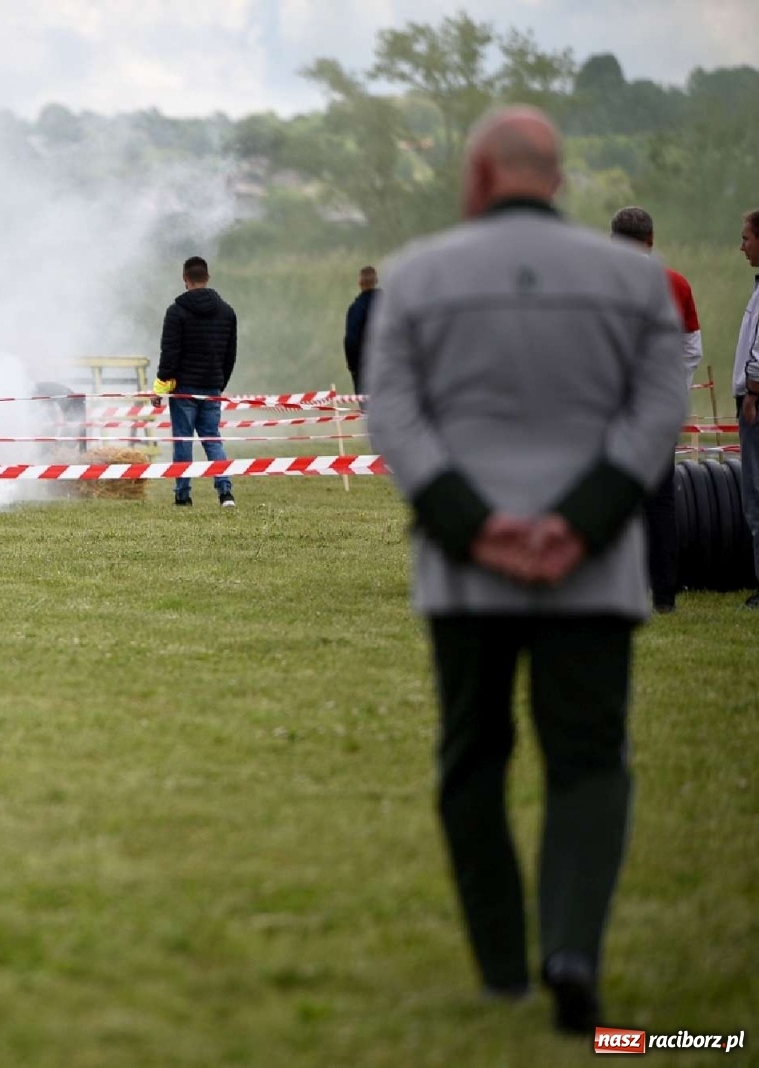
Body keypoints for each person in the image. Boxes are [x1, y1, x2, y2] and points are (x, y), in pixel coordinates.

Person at [366, 107, 687, 1036]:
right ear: (559, 180)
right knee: (589, 761)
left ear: (476, 178)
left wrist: (478, 527)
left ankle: (504, 966)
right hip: (592, 566)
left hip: (465, 568)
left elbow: (395, 416)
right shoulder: (638, 281)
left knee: (472, 757)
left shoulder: (417, 275)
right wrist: (578, 524)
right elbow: (659, 409)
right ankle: (573, 950)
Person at [608, 206, 702, 612]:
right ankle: (664, 595)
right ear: (651, 240)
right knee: (660, 501)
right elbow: (691, 348)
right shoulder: (676, 284)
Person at [153, 255, 238, 507]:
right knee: (212, 439)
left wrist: (160, 386)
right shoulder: (227, 312)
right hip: (211, 387)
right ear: (207, 277)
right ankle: (225, 492)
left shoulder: (176, 311)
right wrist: (219, 382)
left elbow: (169, 354)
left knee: (183, 441)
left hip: (184, 389)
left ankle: (183, 495)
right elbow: (230, 354)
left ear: (185, 279)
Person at [734, 209, 759, 610]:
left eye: (747, 238)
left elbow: (758, 351)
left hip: (757, 400)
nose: (742, 247)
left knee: (755, 495)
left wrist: (752, 394)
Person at [343, 266, 380, 394]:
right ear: (376, 280)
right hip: (391, 367)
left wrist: (353, 367)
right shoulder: (389, 304)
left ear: (359, 282)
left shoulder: (356, 309)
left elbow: (351, 341)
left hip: (365, 369)